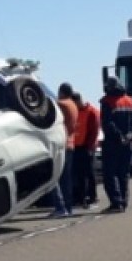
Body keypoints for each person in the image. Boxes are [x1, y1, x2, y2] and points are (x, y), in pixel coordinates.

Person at [98, 76, 132, 213]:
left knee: (110, 174)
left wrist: (119, 136)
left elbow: (107, 123)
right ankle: (124, 201)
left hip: (112, 142)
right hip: (127, 143)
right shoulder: (131, 102)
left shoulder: (107, 102)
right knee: (124, 173)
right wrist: (131, 135)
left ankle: (116, 203)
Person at [48, 83, 80, 217]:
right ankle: (68, 206)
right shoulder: (73, 105)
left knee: (54, 177)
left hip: (60, 144)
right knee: (66, 179)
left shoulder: (60, 104)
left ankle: (60, 207)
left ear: (61, 92)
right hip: (71, 143)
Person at [71, 88, 100, 209]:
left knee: (88, 173)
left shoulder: (91, 112)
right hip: (76, 146)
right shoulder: (75, 112)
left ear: (78, 101)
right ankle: (80, 197)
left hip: (86, 147)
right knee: (78, 174)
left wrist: (90, 147)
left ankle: (92, 197)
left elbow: (94, 131)